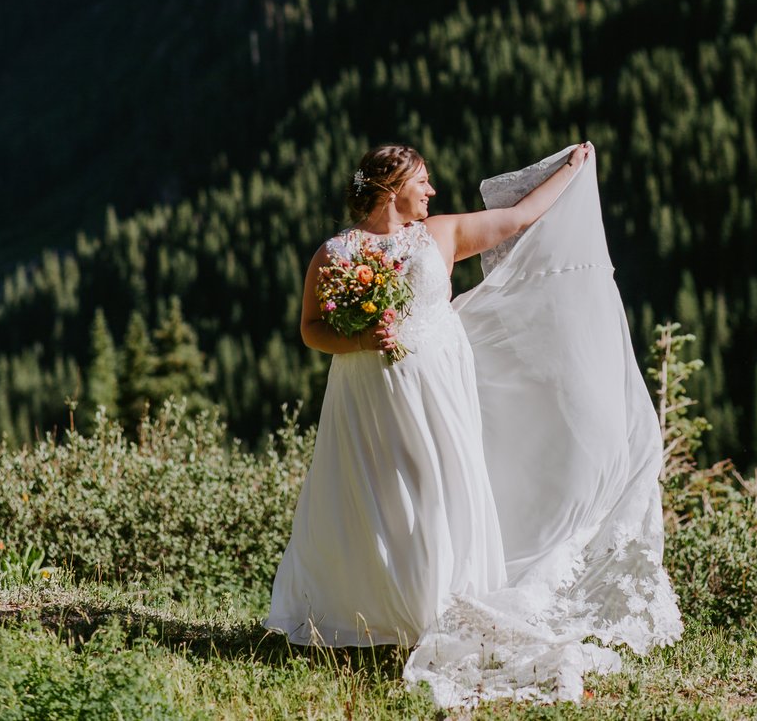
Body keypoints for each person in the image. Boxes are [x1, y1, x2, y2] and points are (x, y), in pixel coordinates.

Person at [265, 141, 681, 705]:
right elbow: (312, 328)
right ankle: (370, 617)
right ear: (392, 188)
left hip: (437, 392)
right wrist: (361, 338)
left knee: (440, 493)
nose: (432, 191)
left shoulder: (442, 234)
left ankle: (435, 610)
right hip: (367, 394)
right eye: (423, 181)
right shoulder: (336, 251)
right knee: (376, 497)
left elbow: (517, 218)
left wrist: (571, 170)